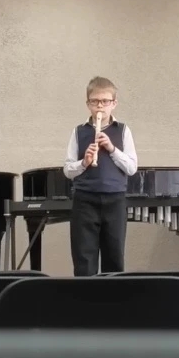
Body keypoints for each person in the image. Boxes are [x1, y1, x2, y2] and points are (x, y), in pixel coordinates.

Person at [63, 76, 138, 276]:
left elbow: (131, 168)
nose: (100, 106)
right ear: (88, 104)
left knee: (114, 259)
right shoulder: (78, 131)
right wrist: (84, 162)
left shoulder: (122, 131)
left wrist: (112, 149)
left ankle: (112, 296)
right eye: (95, 101)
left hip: (115, 200)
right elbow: (68, 170)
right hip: (85, 200)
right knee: (84, 261)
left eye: (105, 101)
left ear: (114, 104)